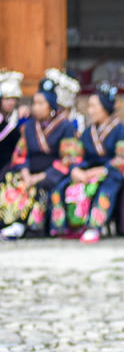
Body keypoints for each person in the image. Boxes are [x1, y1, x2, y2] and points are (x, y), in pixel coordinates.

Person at [50, 84, 124, 244]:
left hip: (111, 172)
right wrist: (75, 169)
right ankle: (63, 226)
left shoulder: (119, 130)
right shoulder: (89, 131)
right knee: (61, 187)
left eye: (94, 106)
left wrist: (101, 171)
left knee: (106, 189)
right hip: (88, 170)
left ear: (105, 108)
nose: (90, 111)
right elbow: (76, 154)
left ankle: (93, 227)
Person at [0, 79, 79, 240]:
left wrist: (41, 176)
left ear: (51, 106)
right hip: (30, 171)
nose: (35, 107)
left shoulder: (65, 126)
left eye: (41, 104)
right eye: (34, 103)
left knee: (41, 186)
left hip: (51, 172)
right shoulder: (29, 126)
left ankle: (29, 225)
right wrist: (26, 173)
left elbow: (68, 158)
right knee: (11, 179)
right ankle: (9, 222)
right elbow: (21, 153)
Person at [0, 70, 29, 173]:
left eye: (13, 98)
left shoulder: (21, 118)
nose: (10, 102)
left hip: (12, 164)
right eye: (6, 98)